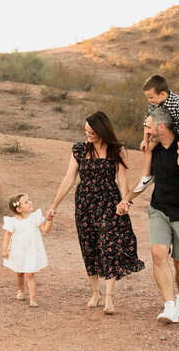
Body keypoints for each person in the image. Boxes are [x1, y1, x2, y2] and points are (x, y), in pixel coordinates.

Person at [117, 106, 179, 324]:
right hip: (159, 210)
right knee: (158, 253)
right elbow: (146, 179)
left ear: (162, 127)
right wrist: (126, 200)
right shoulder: (154, 150)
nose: (146, 131)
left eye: (149, 127)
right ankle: (169, 306)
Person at [46, 111, 144, 314]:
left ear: (101, 130)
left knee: (109, 245)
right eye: (86, 131)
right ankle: (95, 293)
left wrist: (125, 202)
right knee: (89, 246)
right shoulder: (80, 150)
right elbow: (69, 178)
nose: (88, 135)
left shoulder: (116, 150)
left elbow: (122, 180)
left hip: (109, 203)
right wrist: (54, 205)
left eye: (91, 132)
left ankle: (109, 299)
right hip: (85, 204)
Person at [133, 74, 179, 205]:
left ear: (162, 94)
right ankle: (147, 176)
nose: (149, 100)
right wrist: (145, 139)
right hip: (166, 129)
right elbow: (148, 119)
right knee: (148, 147)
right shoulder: (154, 103)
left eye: (151, 97)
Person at [2, 193, 53, 307]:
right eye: (26, 202)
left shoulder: (34, 217)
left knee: (30, 274)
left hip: (31, 251)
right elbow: (7, 236)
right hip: (18, 251)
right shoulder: (13, 222)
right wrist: (5, 250)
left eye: (29, 200)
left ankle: (32, 298)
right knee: (19, 273)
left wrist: (49, 220)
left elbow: (45, 229)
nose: (30, 202)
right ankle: (21, 290)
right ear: (19, 209)